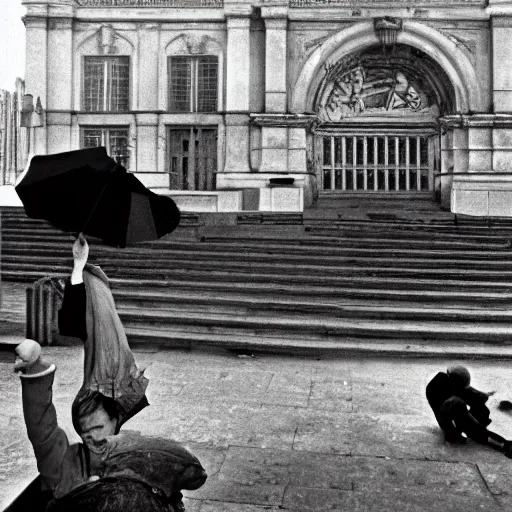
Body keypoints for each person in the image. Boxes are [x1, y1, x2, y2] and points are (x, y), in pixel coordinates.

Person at [15, 235, 207, 511]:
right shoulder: (79, 468)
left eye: (103, 427)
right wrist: (34, 368)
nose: (98, 433)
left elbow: (190, 473)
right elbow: (42, 429)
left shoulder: (121, 463)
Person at [426, 365, 512, 458]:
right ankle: (504, 445)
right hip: (451, 412)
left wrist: (483, 396)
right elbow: (444, 421)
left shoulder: (449, 382)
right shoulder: (451, 400)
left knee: (479, 409)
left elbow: (475, 394)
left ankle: (497, 440)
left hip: (451, 404)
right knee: (474, 431)